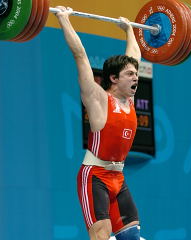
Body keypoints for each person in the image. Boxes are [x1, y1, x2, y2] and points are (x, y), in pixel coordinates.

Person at [55, 6, 141, 240]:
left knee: (131, 236)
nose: (136, 77)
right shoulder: (98, 98)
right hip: (94, 176)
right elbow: (80, 55)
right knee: (101, 236)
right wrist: (64, 18)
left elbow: (134, 55)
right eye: (130, 74)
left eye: (136, 74)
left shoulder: (129, 100)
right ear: (113, 78)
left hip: (118, 178)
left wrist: (129, 30)